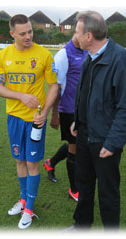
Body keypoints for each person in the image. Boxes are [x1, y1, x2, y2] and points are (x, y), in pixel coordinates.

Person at [69, 11, 126, 229]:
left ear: (89, 35)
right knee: (84, 184)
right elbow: (86, 93)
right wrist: (77, 120)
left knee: (108, 191)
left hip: (105, 140)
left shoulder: (120, 59)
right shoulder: (89, 58)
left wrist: (113, 142)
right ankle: (82, 227)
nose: (74, 37)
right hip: (84, 134)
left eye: (77, 33)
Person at [0, 14, 58, 229]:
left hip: (35, 120)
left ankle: (29, 208)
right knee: (19, 160)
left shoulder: (44, 55)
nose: (28, 36)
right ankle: (23, 200)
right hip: (14, 118)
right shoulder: (3, 55)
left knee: (32, 162)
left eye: (30, 31)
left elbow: (54, 86)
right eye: (23, 33)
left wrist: (46, 111)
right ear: (13, 34)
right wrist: (20, 96)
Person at [43, 34, 87, 202]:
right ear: (76, 33)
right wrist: (55, 114)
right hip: (68, 110)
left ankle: (51, 162)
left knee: (74, 144)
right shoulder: (64, 54)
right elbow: (57, 86)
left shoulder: (85, 51)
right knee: (75, 149)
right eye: (83, 33)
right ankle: (74, 189)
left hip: (82, 109)